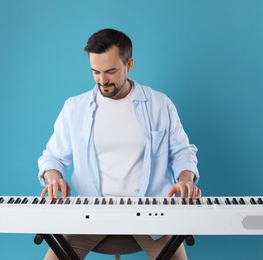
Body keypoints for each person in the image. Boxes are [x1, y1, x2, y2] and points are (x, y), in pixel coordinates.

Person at [38, 28, 201, 260]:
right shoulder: (74, 108)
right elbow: (52, 157)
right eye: (95, 72)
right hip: (90, 213)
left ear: (129, 64)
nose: (102, 80)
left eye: (110, 71)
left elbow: (182, 152)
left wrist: (185, 180)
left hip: (151, 213)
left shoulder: (160, 104)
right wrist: (54, 177)